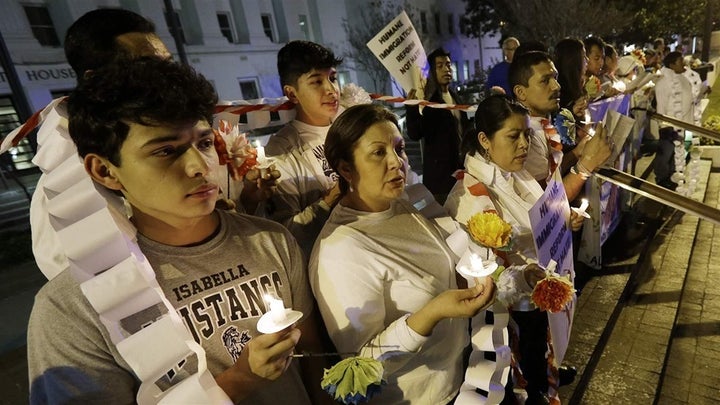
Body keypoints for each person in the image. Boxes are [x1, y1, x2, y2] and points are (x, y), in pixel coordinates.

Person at [27, 58, 331, 404]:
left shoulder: (270, 240)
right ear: (105, 171)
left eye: (203, 143)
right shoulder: (74, 308)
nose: (199, 167)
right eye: (166, 151)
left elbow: (312, 357)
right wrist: (240, 381)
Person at [310, 104, 495, 404]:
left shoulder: (402, 203)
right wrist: (432, 313)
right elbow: (362, 364)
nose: (397, 163)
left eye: (399, 149)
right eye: (378, 152)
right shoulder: (340, 250)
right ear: (345, 168)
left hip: (462, 380)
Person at [445, 95, 585, 404]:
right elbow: (480, 277)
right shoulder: (471, 198)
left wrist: (564, 220)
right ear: (485, 140)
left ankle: (548, 376)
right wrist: (525, 276)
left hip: (537, 302)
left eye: (527, 134)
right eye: (513, 136)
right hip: (510, 321)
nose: (524, 144)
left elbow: (539, 220)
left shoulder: (515, 171)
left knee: (542, 365)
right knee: (526, 386)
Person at [265, 40, 343, 258]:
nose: (331, 89)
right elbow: (285, 233)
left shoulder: (350, 127)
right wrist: (331, 199)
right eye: (316, 82)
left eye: (332, 78)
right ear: (292, 94)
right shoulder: (282, 150)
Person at [509, 51, 612, 201]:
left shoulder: (541, 122)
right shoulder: (524, 136)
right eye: (545, 81)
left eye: (555, 78)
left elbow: (550, 172)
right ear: (520, 92)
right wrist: (586, 164)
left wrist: (578, 152)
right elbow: (545, 204)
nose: (556, 86)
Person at [406, 48, 471, 201]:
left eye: (448, 65)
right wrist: (411, 107)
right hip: (440, 180)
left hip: (460, 173)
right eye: (440, 66)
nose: (446, 69)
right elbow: (415, 133)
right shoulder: (429, 102)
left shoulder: (456, 97)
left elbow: (465, 128)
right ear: (432, 71)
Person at [653, 51, 694, 189]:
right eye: (680, 61)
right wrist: (664, 125)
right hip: (670, 125)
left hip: (686, 123)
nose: (684, 63)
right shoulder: (664, 81)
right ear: (671, 64)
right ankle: (662, 179)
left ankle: (672, 176)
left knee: (682, 152)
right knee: (666, 154)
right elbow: (662, 104)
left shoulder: (680, 77)